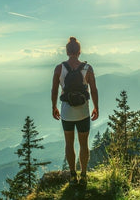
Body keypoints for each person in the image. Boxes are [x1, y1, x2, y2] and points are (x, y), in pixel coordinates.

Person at [51, 37, 99, 186]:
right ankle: (83, 175)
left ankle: (73, 176)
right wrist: (96, 107)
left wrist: (54, 107)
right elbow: (93, 90)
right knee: (84, 144)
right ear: (79, 51)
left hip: (67, 112)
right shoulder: (88, 68)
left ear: (67, 51)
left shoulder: (59, 68)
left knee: (69, 144)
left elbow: (54, 90)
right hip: (83, 112)